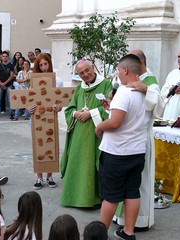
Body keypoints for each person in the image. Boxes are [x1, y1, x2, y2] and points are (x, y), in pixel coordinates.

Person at [95, 54, 150, 240]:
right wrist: (112, 107)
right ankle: (128, 232)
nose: (118, 73)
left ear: (125, 70)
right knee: (132, 192)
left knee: (111, 195)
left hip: (117, 152)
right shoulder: (147, 93)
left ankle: (100, 234)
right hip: (137, 151)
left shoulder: (124, 92)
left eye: (118, 70)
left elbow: (116, 122)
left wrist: (100, 126)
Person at [113, 49, 164, 231]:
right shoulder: (128, 80)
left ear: (141, 63)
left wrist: (147, 90)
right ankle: (122, 219)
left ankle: (139, 221)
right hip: (126, 138)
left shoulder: (150, 81)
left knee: (139, 182)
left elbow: (160, 105)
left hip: (141, 139)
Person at [60, 58, 112, 208]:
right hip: (78, 135)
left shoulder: (105, 84)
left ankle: (92, 199)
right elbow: (70, 108)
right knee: (77, 163)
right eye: (81, 73)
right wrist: (76, 113)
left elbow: (110, 108)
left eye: (87, 70)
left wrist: (91, 113)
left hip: (95, 135)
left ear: (93, 68)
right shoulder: (79, 88)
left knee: (92, 164)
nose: (85, 74)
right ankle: (73, 197)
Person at [28, 53, 63, 189]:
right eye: (41, 65)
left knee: (51, 146)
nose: (43, 67)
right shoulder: (33, 82)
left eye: (45, 64)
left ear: (50, 64)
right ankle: (39, 177)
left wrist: (58, 107)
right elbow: (28, 100)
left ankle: (49, 176)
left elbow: (60, 103)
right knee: (38, 147)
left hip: (50, 118)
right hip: (37, 119)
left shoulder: (58, 81)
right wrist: (29, 108)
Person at [0, 51, 15, 119]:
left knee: (9, 99)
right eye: (3, 56)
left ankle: (11, 113)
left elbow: (11, 76)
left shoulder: (11, 65)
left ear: (8, 57)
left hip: (8, 84)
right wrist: (1, 83)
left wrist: (4, 83)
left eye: (6, 56)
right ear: (1, 57)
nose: (5, 57)